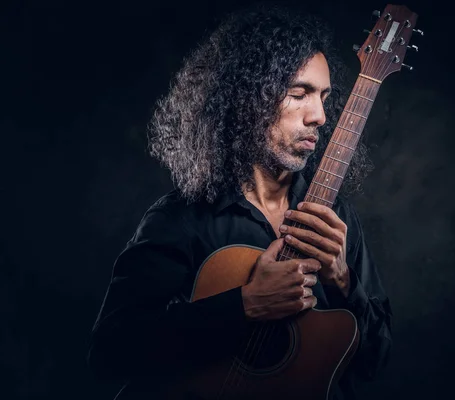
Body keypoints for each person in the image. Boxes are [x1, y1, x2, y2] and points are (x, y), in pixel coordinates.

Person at [88, 4, 392, 399]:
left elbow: (375, 362)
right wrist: (244, 305)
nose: (319, 115)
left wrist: (343, 279)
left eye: (324, 96)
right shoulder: (183, 219)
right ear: (248, 98)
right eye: (298, 94)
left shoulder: (332, 217)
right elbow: (109, 353)